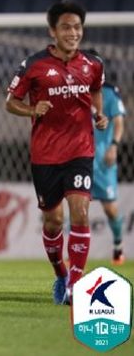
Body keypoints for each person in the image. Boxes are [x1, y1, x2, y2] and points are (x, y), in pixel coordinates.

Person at [6, 0, 107, 305]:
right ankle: (61, 274)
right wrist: (32, 109)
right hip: (46, 155)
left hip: (80, 150)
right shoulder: (34, 65)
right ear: (53, 31)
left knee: (80, 212)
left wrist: (99, 115)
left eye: (77, 27)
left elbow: (96, 89)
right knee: (53, 221)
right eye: (66, 27)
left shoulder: (93, 64)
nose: (73, 33)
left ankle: (76, 286)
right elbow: (10, 102)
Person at [87, 53, 126, 265]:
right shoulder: (74, 89)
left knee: (110, 208)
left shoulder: (109, 93)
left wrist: (114, 145)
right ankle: (75, 252)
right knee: (77, 206)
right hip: (79, 156)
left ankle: (118, 244)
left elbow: (118, 121)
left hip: (102, 159)